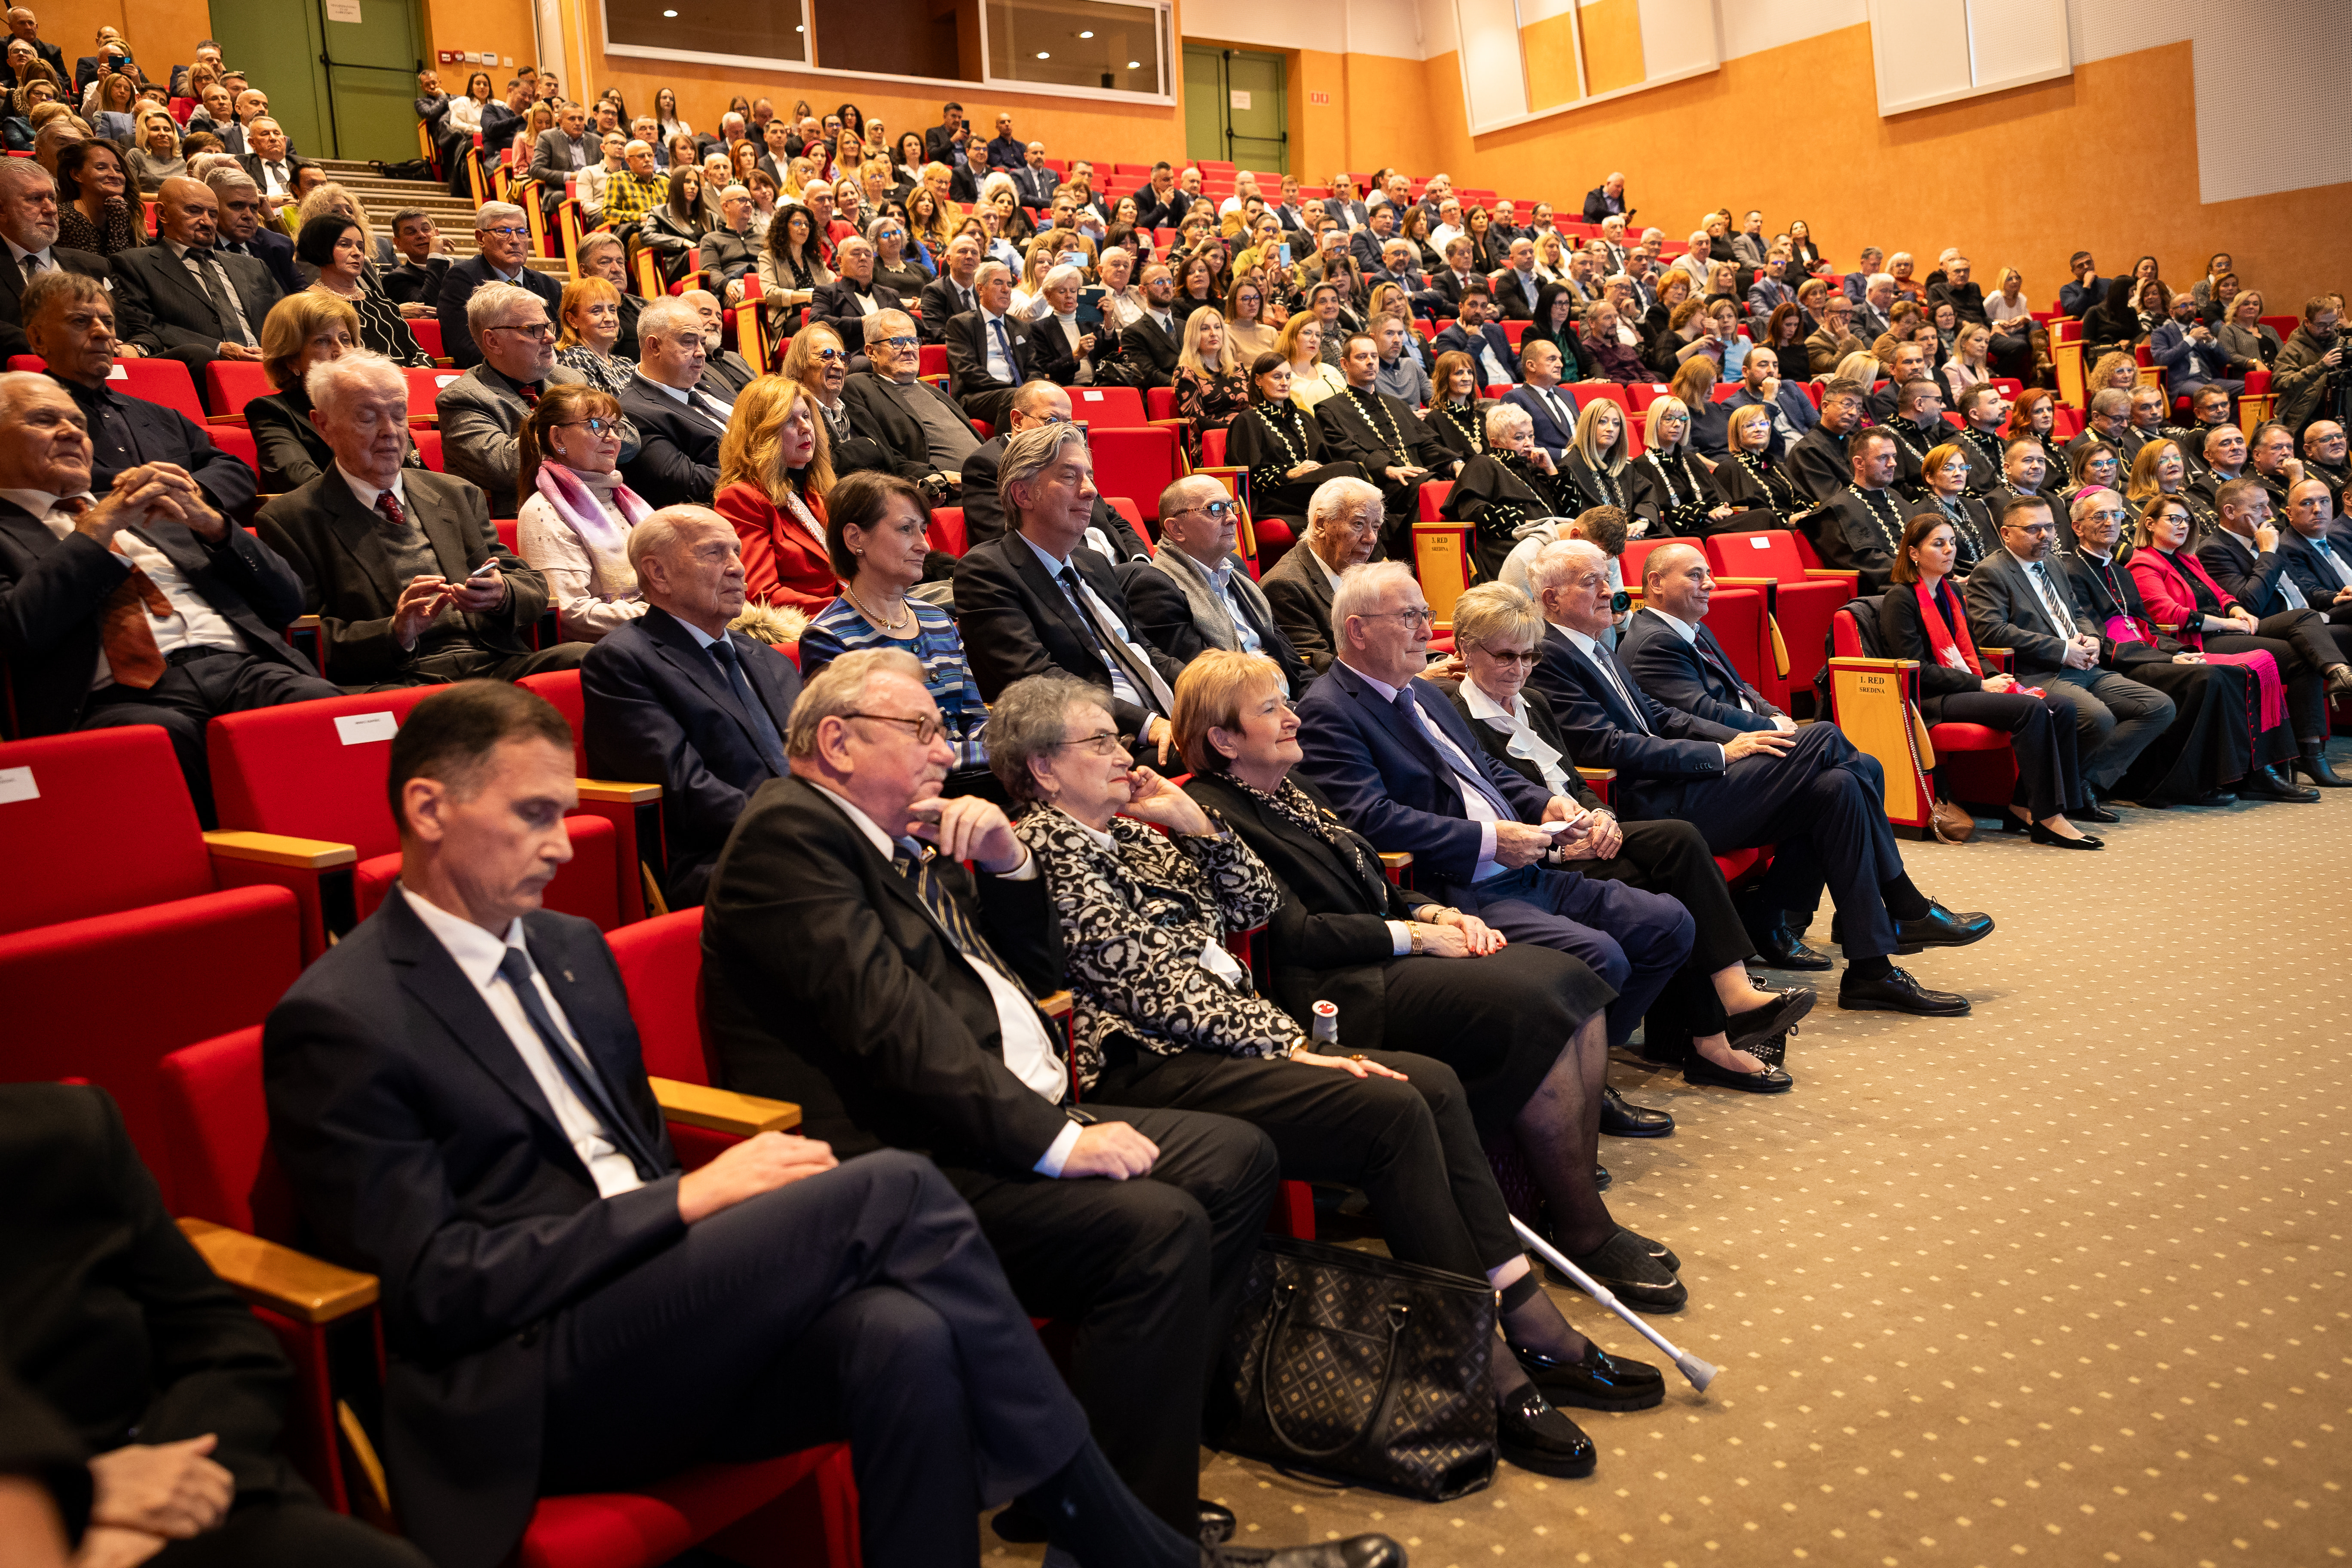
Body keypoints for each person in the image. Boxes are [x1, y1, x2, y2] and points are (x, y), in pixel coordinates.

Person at [269, 679, 1361, 1568]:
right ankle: (1114, 1537)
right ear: (425, 811)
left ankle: (1098, 1527)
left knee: (904, 1337)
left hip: (662, 1301)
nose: (566, 845)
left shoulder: (567, 952)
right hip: (530, 1369)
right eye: (533, 814)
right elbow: (437, 1290)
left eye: (568, 812)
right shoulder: (342, 1018)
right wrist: (684, 1200)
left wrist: (681, 1211)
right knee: (885, 1186)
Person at [998, 667, 1624, 1477]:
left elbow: (1255, 908)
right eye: (1098, 741)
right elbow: (1153, 988)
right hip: (1151, 1060)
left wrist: (1199, 826)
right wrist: (1287, 1044)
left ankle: (1519, 1311)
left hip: (1230, 1037)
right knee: (1393, 1108)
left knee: (1428, 1083)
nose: (1123, 753)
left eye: (1119, 738)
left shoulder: (1135, 828)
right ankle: (1488, 1360)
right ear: (1043, 768)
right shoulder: (1047, 846)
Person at [1526, 538, 1991, 1015]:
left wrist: (1730, 743)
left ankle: (1870, 971)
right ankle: (1903, 904)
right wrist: (1719, 755)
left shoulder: (1595, 644)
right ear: (1551, 600)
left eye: (1608, 578)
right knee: (1828, 738)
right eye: (1592, 582)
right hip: (1652, 802)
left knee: (1841, 787)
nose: (1609, 591)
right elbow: (1607, 746)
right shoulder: (1551, 657)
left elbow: (1660, 716)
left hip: (1683, 785)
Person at [0, 1083, 433, 1568]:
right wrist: (80, 1504)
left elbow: (226, 1343)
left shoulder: (66, 1131)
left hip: (180, 1484)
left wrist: (163, 1481)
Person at [1441, 576, 1812, 1081]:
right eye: (1507, 657)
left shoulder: (1535, 704)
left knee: (1678, 839)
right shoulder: (1455, 715)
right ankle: (1709, 1038)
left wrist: (1603, 816)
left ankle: (1722, 1014)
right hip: (1544, 856)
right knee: (1671, 881)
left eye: (1529, 658)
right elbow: (1495, 811)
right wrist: (1559, 847)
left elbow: (1573, 781)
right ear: (1466, 648)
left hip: (1589, 835)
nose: (1520, 670)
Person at [0, 366, 335, 822]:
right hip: (118, 698)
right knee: (159, 736)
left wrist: (215, 527)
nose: (70, 433)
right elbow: (18, 631)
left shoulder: (151, 510)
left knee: (323, 708)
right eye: (44, 420)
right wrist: (96, 531)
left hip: (239, 668)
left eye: (79, 423)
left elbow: (288, 601)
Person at [258, 353, 588, 686]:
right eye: (368, 418)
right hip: (397, 677)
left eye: (399, 416)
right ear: (323, 425)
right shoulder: (291, 519)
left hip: (494, 662)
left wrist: (502, 594)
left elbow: (531, 587)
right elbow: (306, 638)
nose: (390, 432)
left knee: (594, 659)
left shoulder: (457, 494)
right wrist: (395, 631)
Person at [577, 505, 799, 906]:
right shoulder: (623, 662)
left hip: (803, 838)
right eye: (715, 553)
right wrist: (798, 829)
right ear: (658, 573)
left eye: (736, 551)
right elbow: (686, 789)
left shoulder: (769, 658)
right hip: (720, 857)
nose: (737, 568)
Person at [2062, 485, 2306, 805]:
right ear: (2078, 527)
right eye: (2100, 516)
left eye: (2116, 514)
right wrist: (2168, 659)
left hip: (2147, 652)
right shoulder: (2068, 571)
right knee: (2212, 677)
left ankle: (2253, 774)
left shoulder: (2120, 572)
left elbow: (2146, 626)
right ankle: (2191, 784)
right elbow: (2098, 638)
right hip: (2119, 663)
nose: (2110, 522)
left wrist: (2180, 652)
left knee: (2229, 673)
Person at [955, 422, 1185, 755]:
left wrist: (1216, 688)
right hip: (1095, 742)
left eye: (1089, 476)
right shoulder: (987, 571)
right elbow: (1040, 680)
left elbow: (1143, 651)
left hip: (1168, 720)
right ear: (1023, 494)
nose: (1090, 490)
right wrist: (1150, 725)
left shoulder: (1094, 564)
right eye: (1069, 476)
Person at [1877, 513, 2100, 844]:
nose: (1949, 551)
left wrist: (1997, 676)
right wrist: (1980, 684)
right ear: (1913, 553)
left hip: (1964, 687)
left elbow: (1971, 650)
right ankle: (2049, 816)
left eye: (1952, 543)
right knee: (2031, 709)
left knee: (2062, 706)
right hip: (1930, 699)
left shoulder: (1950, 592)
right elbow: (1917, 668)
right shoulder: (1901, 598)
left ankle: (2023, 805)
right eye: (1938, 544)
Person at [1962, 492, 2180, 802]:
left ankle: (2082, 783)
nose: (2045, 536)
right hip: (2039, 671)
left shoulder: (2052, 562)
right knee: (2098, 718)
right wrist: (2063, 650)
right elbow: (1993, 632)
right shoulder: (1992, 571)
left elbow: (2076, 612)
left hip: (2084, 664)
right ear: (2006, 533)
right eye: (2033, 529)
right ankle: (2074, 792)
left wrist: (2091, 637)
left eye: (2050, 528)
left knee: (2159, 707)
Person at [2128, 489, 2348, 788]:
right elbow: (2169, 615)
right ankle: (2299, 755)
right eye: (2174, 519)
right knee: (2297, 657)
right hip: (2197, 641)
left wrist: (2237, 609)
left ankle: (2336, 681)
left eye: (2187, 521)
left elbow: (2221, 594)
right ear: (2150, 524)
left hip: (2224, 628)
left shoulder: (2187, 559)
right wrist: (2228, 623)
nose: (2183, 526)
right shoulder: (2144, 564)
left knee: (2305, 619)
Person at [796, 472, 991, 798]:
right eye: (906, 529)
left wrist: (1015, 749)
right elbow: (875, 752)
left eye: (923, 530)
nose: (925, 545)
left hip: (981, 781)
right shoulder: (828, 637)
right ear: (855, 539)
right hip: (909, 800)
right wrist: (1001, 756)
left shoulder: (937, 619)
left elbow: (975, 719)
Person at [23, 269, 254, 517]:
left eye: (108, 322)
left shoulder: (162, 416)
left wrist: (191, 492)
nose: (103, 332)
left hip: (192, 541)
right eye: (80, 321)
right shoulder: (23, 423)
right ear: (38, 339)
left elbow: (235, 471)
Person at [1117, 475, 1309, 692]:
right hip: (1243, 707)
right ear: (1177, 529)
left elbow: (1288, 656)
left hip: (1287, 699)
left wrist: (1318, 698)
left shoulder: (1234, 568)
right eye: (1215, 509)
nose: (1233, 519)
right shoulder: (1154, 588)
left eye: (1231, 506)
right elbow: (1206, 683)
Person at [437, 282, 594, 518]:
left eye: (549, 326)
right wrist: (589, 434)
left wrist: (581, 438)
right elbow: (508, 467)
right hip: (524, 524)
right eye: (533, 329)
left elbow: (629, 437)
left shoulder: (569, 378)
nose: (551, 338)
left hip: (592, 509)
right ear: (493, 341)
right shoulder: (463, 398)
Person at [247, 289, 421, 493]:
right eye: (323, 341)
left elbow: (414, 475)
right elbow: (302, 482)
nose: (341, 351)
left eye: (346, 339)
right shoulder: (272, 411)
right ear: (291, 359)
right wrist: (373, 498)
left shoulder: (378, 400)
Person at [514, 383, 650, 642]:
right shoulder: (544, 511)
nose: (613, 437)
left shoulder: (626, 499)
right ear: (558, 438)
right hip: (609, 650)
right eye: (596, 426)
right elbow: (570, 614)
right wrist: (664, 617)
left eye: (615, 427)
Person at [106, 175, 276, 372]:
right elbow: (147, 326)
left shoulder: (253, 266)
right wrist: (218, 348)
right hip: (203, 368)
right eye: (194, 211)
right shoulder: (133, 263)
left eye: (213, 214)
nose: (207, 222)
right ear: (162, 213)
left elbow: (287, 318)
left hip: (272, 366)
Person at [1316, 331, 1454, 561]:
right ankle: (1429, 564)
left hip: (1418, 478)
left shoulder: (1396, 404)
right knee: (1429, 486)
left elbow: (1427, 444)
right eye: (1362, 357)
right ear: (1344, 364)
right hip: (1377, 484)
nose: (1371, 362)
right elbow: (1345, 452)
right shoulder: (1330, 410)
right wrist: (1387, 469)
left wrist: (1455, 464)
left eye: (1374, 356)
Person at [714, 374, 836, 611]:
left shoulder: (817, 489)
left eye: (807, 416)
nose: (805, 428)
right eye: (789, 421)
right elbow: (763, 594)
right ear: (762, 436)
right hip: (809, 626)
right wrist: (849, 609)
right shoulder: (741, 499)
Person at [619, 297, 735, 508]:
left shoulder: (708, 388)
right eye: (689, 341)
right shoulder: (633, 411)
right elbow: (687, 482)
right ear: (654, 346)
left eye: (702, 341)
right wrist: (769, 470)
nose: (701, 352)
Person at [437, 201, 562, 368]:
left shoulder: (548, 285)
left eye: (521, 232)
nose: (515, 240)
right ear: (481, 238)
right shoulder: (463, 279)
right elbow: (467, 350)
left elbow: (562, 343)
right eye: (503, 232)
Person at [295, 212, 428, 366]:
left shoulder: (382, 301)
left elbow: (418, 352)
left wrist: (422, 368)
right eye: (344, 245)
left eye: (360, 247)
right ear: (321, 248)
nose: (357, 253)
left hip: (407, 381)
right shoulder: (306, 306)